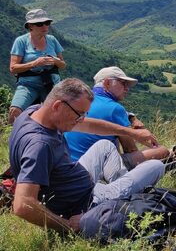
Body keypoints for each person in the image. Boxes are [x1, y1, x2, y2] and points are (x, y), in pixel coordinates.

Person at [8, 78, 164, 232]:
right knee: (156, 166)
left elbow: (88, 124)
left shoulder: (34, 112)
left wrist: (132, 133)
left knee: (105, 145)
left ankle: (118, 194)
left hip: (73, 180)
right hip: (84, 202)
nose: (81, 119)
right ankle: (113, 201)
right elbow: (23, 205)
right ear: (58, 106)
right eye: (79, 114)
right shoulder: (40, 145)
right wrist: (67, 226)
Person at [64, 67, 170, 168]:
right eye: (123, 83)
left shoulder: (80, 101)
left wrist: (131, 117)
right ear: (107, 83)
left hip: (69, 162)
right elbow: (130, 150)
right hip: (95, 167)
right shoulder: (115, 108)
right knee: (162, 150)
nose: (127, 88)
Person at [8, 9, 67, 124]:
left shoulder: (52, 40)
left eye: (47, 23)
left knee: (61, 113)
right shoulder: (21, 41)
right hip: (28, 85)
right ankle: (14, 137)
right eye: (40, 24)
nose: (44, 26)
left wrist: (55, 61)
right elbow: (13, 68)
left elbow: (63, 65)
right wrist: (35, 63)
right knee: (14, 111)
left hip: (52, 84)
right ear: (30, 26)